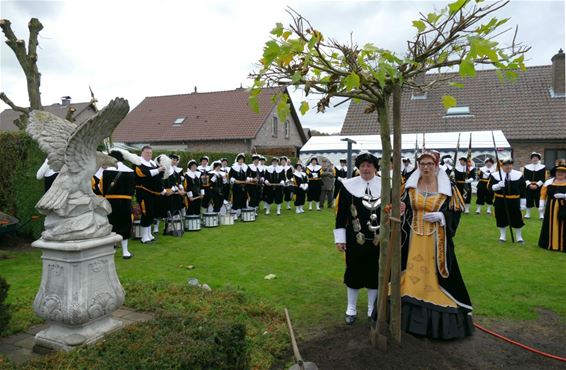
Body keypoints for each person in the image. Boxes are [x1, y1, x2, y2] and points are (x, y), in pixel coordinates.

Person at [399, 150, 473, 339]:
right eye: (422, 164)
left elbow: (456, 213)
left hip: (436, 240)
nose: (426, 167)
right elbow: (402, 207)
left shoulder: (448, 188)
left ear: (436, 165)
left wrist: (443, 216)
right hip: (413, 239)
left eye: (429, 164)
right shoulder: (409, 186)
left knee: (435, 275)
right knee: (407, 272)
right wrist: (402, 210)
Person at [334, 152, 382, 325]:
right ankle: (351, 309)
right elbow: (341, 216)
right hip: (354, 239)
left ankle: (371, 309)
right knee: (353, 272)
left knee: (374, 273)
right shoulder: (348, 186)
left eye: (369, 165)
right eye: (362, 165)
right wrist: (340, 239)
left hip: (379, 239)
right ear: (358, 168)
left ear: (375, 168)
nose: (365, 169)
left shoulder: (386, 186)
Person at [102, 149, 139, 259]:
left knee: (111, 224)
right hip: (125, 202)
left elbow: (102, 188)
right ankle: (125, 252)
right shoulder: (130, 172)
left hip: (109, 202)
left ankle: (110, 249)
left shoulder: (106, 172)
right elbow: (133, 190)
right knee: (125, 225)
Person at [134, 146, 169, 244]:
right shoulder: (138, 163)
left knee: (151, 214)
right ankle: (144, 237)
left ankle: (149, 234)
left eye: (150, 153)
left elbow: (157, 178)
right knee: (146, 213)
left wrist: (163, 170)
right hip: (143, 193)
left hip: (153, 194)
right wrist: (158, 170)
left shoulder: (152, 163)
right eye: (147, 152)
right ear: (142, 153)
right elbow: (144, 174)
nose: (149, 154)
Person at [488, 158, 527, 243]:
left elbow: (523, 190)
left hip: (514, 200)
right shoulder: (495, 175)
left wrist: (523, 203)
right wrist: (498, 185)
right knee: (501, 217)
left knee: (517, 218)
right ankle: (502, 236)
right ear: (502, 166)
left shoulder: (519, 175)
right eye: (506, 165)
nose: (508, 166)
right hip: (500, 200)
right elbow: (489, 188)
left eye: (510, 164)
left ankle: (519, 237)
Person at [538, 159, 566, 252]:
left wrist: (564, 196)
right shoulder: (548, 182)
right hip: (550, 208)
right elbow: (543, 195)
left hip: (564, 208)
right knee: (550, 225)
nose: (560, 173)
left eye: (562, 172)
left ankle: (563, 246)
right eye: (558, 171)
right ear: (555, 172)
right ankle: (549, 244)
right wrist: (541, 205)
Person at [523, 152, 546, 220]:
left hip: (539, 186)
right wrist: (529, 185)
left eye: (536, 158)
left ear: (538, 159)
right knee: (528, 199)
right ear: (531, 159)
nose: (535, 159)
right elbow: (525, 177)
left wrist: (537, 185)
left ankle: (541, 215)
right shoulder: (527, 167)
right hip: (528, 186)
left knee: (539, 200)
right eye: (533, 158)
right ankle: (528, 214)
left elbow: (543, 178)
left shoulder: (543, 167)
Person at [229, 153, 248, 219]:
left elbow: (248, 175)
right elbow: (230, 176)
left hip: (244, 186)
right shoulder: (233, 167)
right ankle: (235, 214)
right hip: (236, 186)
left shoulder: (245, 167)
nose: (241, 161)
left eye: (242, 159)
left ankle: (242, 214)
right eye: (240, 159)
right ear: (238, 160)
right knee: (236, 199)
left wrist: (248, 179)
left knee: (244, 199)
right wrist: (234, 180)